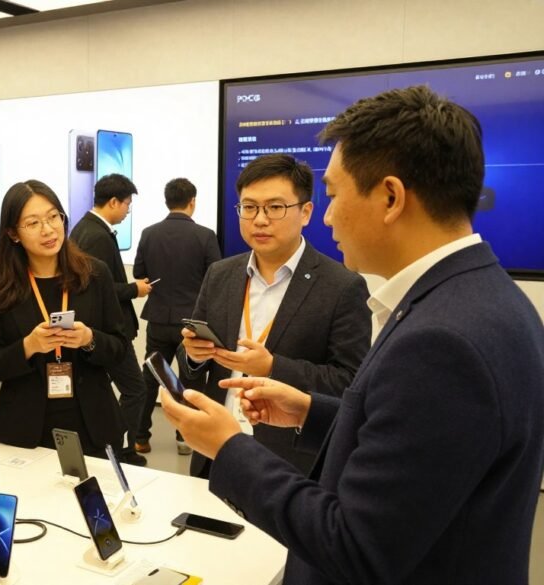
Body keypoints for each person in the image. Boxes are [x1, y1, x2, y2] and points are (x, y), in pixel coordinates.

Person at [162, 86, 544, 585]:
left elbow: (358, 547)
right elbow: (413, 440)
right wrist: (310, 410)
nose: (325, 215)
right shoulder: (482, 296)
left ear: (390, 197)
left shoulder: (444, 341)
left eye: (335, 195)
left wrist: (230, 448)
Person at [177, 154, 370, 476]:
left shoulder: (342, 285)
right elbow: (190, 360)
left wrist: (272, 367)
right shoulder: (220, 274)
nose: (260, 220)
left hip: (289, 459)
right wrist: (194, 356)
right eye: (249, 207)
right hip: (217, 447)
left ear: (306, 212)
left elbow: (349, 382)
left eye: (275, 207)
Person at [0, 179, 128, 457]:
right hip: (25, 427)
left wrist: (89, 339)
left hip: (92, 423)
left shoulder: (95, 275)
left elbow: (119, 347)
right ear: (13, 234)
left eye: (53, 217)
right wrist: (29, 346)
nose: (48, 230)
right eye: (33, 223)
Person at [131, 178, 221, 455]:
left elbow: (138, 273)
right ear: (192, 201)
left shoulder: (149, 233)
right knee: (191, 380)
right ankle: (185, 438)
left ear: (167, 201)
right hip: (192, 323)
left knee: (152, 376)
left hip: (158, 318)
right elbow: (216, 276)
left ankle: (140, 437)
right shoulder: (205, 236)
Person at [69, 173, 150, 465]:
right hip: (108, 331)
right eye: (127, 204)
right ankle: (116, 448)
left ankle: (113, 446)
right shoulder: (97, 236)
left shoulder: (86, 228)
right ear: (113, 201)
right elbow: (96, 286)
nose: (128, 210)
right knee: (136, 390)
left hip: (99, 330)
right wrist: (135, 289)